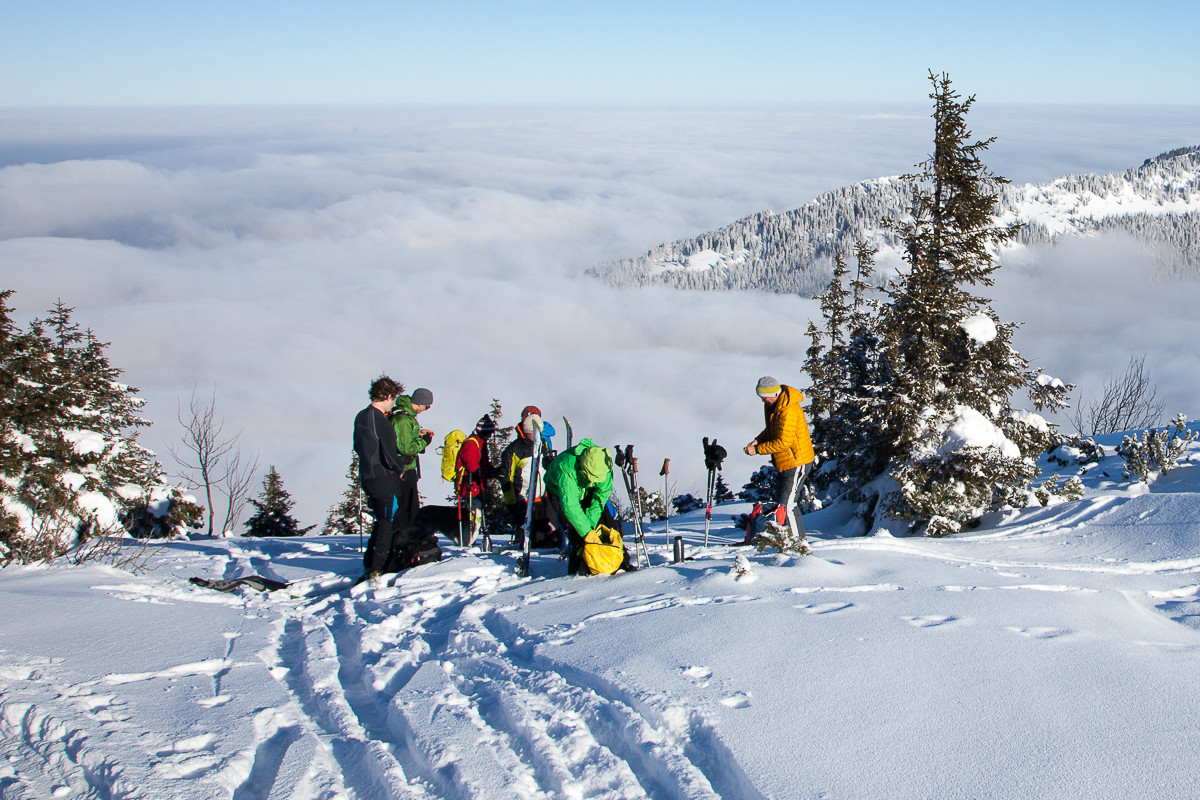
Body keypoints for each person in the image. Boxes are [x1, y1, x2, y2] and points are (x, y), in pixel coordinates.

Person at [743, 376, 815, 547]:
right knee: (787, 504)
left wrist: (758, 450)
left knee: (787, 505)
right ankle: (795, 540)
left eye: (763, 396)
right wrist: (758, 440)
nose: (762, 399)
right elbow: (772, 430)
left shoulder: (788, 410)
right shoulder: (774, 405)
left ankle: (799, 545)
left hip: (797, 461)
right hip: (787, 462)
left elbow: (784, 442)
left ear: (773, 394)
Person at [352, 375, 410, 580]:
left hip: (367, 477)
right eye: (393, 399)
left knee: (379, 521)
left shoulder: (361, 416)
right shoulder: (381, 421)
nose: (393, 403)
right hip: (384, 479)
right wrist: (400, 467)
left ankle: (370, 562)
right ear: (387, 396)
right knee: (387, 523)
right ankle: (378, 568)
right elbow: (389, 453)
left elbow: (358, 446)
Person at [544, 438, 625, 575]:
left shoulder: (603, 464)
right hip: (559, 493)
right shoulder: (567, 468)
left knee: (605, 526)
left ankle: (610, 564)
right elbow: (571, 506)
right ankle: (579, 572)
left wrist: (591, 525)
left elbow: (601, 496)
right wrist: (587, 533)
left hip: (586, 490)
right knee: (576, 532)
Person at [388, 387, 436, 563]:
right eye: (427, 406)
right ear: (420, 403)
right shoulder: (402, 418)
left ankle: (405, 546)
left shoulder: (405, 416)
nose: (426, 409)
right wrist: (424, 441)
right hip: (403, 470)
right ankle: (401, 548)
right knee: (406, 510)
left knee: (409, 509)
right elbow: (406, 448)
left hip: (405, 469)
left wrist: (418, 434)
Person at [499, 406, 554, 534]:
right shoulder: (514, 450)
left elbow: (544, 469)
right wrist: (512, 504)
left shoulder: (542, 444)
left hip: (542, 498)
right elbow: (507, 477)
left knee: (545, 536)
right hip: (524, 500)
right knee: (532, 538)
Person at [455, 414, 496, 546]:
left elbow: (483, 464)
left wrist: (492, 470)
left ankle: (470, 542)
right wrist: (487, 471)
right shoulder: (472, 444)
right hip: (471, 488)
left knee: (476, 517)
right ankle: (467, 543)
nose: (489, 437)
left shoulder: (480, 443)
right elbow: (473, 467)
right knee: (474, 519)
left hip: (477, 487)